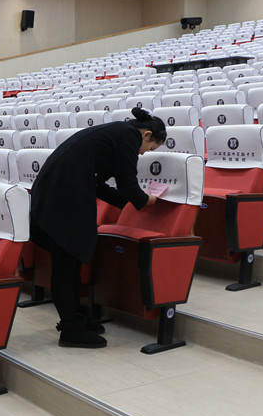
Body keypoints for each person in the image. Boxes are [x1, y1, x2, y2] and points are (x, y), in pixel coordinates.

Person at [29, 107, 166, 349]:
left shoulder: (115, 132)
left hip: (58, 192)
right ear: (146, 135)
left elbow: (98, 184)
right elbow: (127, 183)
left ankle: (76, 318)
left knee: (71, 261)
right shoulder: (129, 136)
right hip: (63, 198)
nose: (144, 153)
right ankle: (69, 329)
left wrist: (129, 204)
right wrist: (145, 200)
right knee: (65, 264)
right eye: (150, 148)